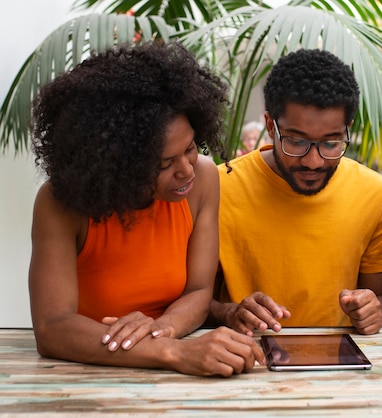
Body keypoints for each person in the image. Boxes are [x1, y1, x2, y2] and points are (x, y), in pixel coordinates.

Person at [28, 41, 264, 377]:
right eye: (165, 163)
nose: (186, 170)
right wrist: (169, 351)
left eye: (191, 147)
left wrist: (162, 329)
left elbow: (199, 291)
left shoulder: (204, 179)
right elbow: (53, 327)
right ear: (116, 167)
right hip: (88, 374)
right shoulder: (60, 204)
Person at [206, 49, 382, 336]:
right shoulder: (218, 187)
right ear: (269, 125)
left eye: (330, 143)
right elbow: (196, 300)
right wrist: (230, 312)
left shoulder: (374, 193)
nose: (313, 161)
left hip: (341, 367)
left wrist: (371, 311)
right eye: (296, 141)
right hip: (244, 360)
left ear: (346, 130)